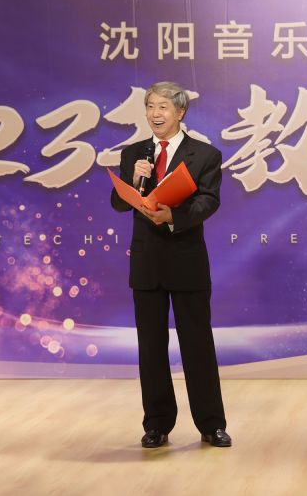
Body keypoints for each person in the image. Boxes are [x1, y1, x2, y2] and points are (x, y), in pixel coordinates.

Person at [111, 81, 231, 448]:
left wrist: (173, 217)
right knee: (150, 348)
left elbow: (209, 201)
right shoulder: (134, 153)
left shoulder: (205, 154)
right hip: (146, 263)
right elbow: (118, 202)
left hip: (186, 260)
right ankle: (157, 424)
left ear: (180, 112)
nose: (155, 114)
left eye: (162, 107)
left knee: (197, 345)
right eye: (150, 106)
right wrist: (134, 180)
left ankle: (211, 424)